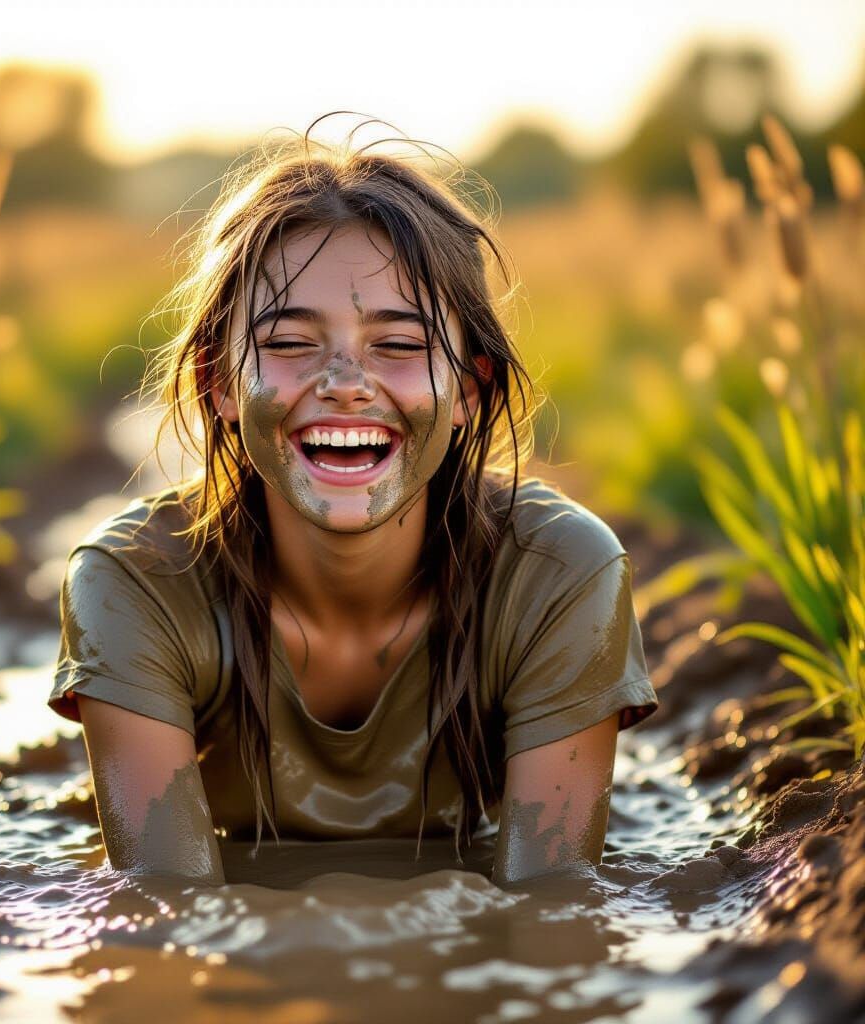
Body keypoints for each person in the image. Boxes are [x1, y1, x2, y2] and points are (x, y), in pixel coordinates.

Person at [46, 118, 659, 888]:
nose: (343, 380)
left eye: (399, 346)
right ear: (219, 383)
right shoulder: (132, 580)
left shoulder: (563, 576)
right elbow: (167, 912)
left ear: (469, 390)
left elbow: (552, 905)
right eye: (290, 342)